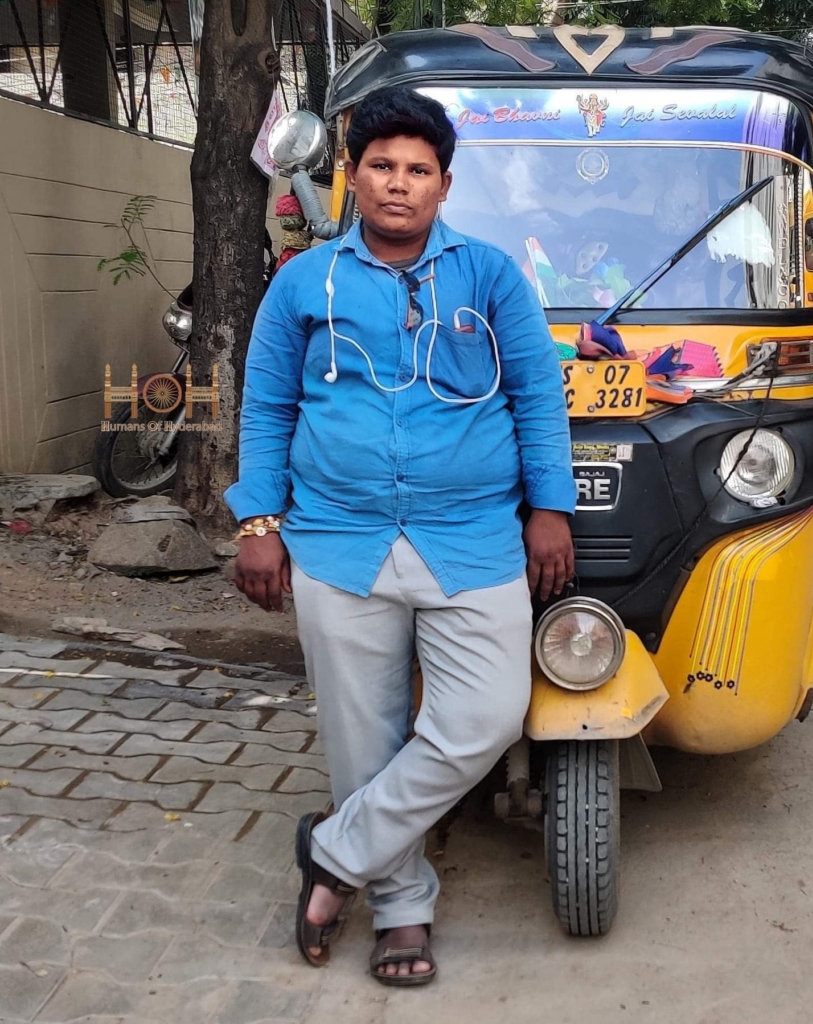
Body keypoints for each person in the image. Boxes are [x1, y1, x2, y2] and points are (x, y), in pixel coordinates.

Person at [224, 87, 576, 986]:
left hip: (470, 536)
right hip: (337, 539)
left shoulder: (492, 275)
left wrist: (550, 507)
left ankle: (335, 854)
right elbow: (266, 404)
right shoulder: (304, 281)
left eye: (418, 170)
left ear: (444, 185)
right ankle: (400, 910)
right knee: (361, 735)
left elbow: (536, 394)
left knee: (488, 714)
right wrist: (258, 521)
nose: (398, 184)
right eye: (381, 165)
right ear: (353, 174)